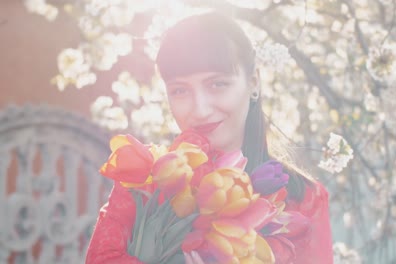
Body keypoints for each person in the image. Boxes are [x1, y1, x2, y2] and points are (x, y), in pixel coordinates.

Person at [86, 11, 333, 264]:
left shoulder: (303, 199)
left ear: (254, 83)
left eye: (217, 84)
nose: (200, 109)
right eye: (180, 90)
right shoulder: (145, 180)